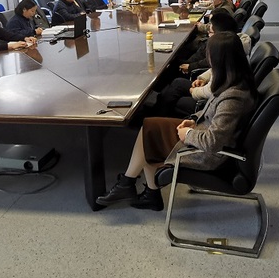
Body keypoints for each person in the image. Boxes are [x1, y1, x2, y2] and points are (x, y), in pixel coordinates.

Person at [96, 32, 257, 211]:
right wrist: (193, 121)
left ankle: (135, 188)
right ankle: (138, 189)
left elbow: (213, 142)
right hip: (201, 132)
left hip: (207, 152)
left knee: (150, 138)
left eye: (209, 55)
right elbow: (212, 113)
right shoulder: (232, 81)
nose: (208, 60)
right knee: (149, 127)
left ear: (219, 59)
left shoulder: (232, 98)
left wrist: (188, 134)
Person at [155, 11, 252, 117]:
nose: (208, 34)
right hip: (211, 92)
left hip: (210, 103)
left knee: (174, 96)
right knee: (176, 83)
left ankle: (158, 115)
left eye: (210, 32)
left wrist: (194, 91)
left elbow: (212, 90)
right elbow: (214, 70)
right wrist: (203, 79)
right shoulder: (232, 47)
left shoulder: (225, 51)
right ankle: (158, 108)